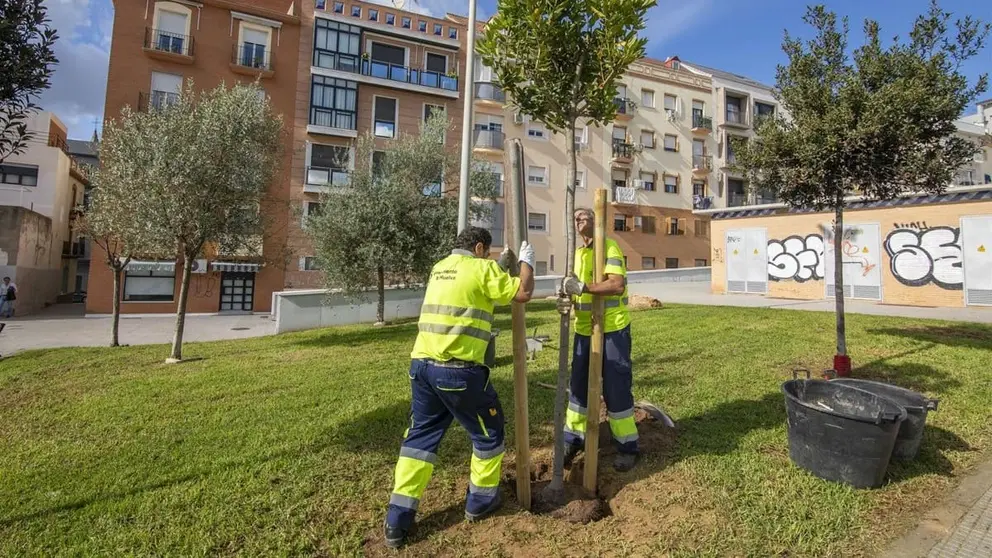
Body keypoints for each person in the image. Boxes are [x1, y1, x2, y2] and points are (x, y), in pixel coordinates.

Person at [383, 226, 535, 549]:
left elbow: (471, 292)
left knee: (420, 437)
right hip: (458, 372)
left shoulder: (439, 268)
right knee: (489, 432)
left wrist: (498, 268)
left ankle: (397, 519)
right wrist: (526, 264)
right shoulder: (482, 268)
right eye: (487, 252)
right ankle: (481, 501)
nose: (489, 257)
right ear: (479, 248)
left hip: (422, 367)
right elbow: (522, 292)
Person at [557, 207, 639, 472]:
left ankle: (627, 446)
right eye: (575, 217)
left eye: (584, 216)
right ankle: (573, 440)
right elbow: (572, 289)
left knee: (616, 387)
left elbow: (616, 284)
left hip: (613, 328)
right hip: (584, 329)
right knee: (578, 387)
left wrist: (584, 287)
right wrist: (565, 298)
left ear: (596, 222)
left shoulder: (609, 247)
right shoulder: (577, 254)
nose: (578, 220)